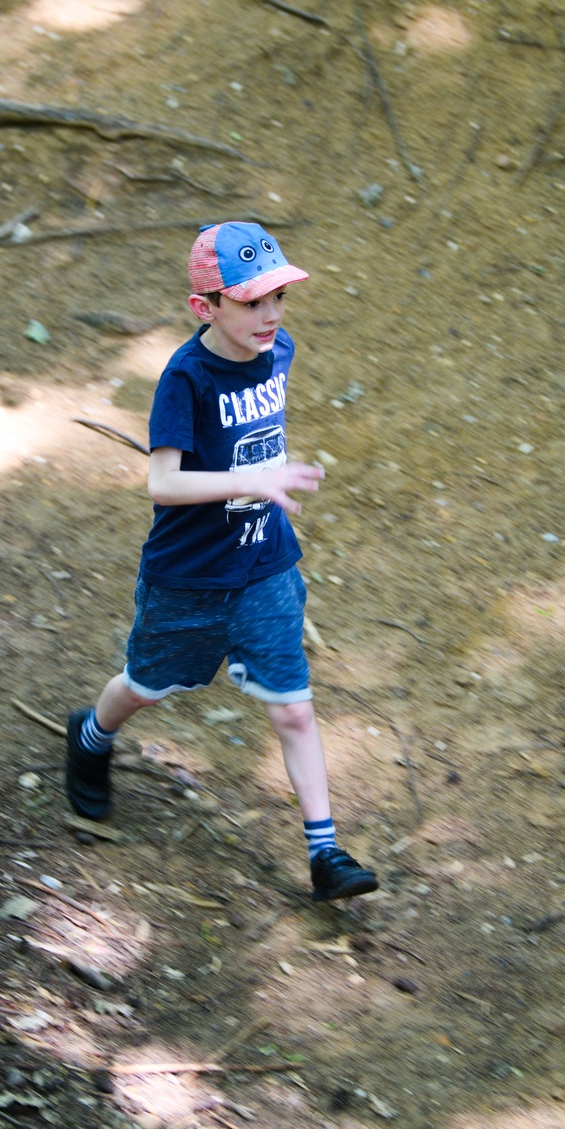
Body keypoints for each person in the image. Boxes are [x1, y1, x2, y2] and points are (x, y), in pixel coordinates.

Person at [64, 221, 378, 902]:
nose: (271, 315)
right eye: (252, 302)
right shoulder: (185, 378)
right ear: (204, 307)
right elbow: (162, 483)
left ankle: (326, 852)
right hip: (189, 576)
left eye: (278, 298)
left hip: (266, 566)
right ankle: (89, 734)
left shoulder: (278, 351)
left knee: (294, 711)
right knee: (144, 687)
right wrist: (254, 481)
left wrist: (268, 483)